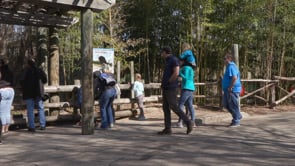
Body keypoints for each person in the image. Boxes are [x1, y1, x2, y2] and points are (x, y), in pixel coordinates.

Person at [158, 46, 194, 135]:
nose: (161, 54)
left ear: (165, 52)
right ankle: (168, 128)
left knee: (174, 106)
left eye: (162, 52)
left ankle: (188, 121)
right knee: (165, 108)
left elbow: (176, 72)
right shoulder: (168, 61)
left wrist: (169, 82)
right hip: (166, 87)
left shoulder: (173, 60)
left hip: (170, 87)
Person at [20, 59, 47, 132]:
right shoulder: (39, 70)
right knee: (40, 108)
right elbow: (45, 80)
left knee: (30, 110)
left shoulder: (25, 71)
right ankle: (42, 125)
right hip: (38, 93)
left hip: (29, 93)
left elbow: (21, 81)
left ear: (28, 64)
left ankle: (32, 127)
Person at [222, 52, 242, 127]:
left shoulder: (231, 66)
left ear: (229, 59)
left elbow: (234, 77)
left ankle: (236, 121)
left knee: (233, 105)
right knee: (225, 104)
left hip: (232, 89)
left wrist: (230, 87)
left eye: (225, 59)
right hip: (228, 89)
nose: (224, 60)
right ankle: (238, 115)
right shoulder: (229, 67)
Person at [176, 58, 196, 128]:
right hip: (191, 88)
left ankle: (180, 121)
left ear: (183, 61)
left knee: (180, 104)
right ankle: (193, 121)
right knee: (190, 105)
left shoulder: (185, 68)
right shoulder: (191, 69)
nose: (179, 62)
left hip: (186, 87)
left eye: (180, 61)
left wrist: (179, 73)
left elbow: (186, 78)